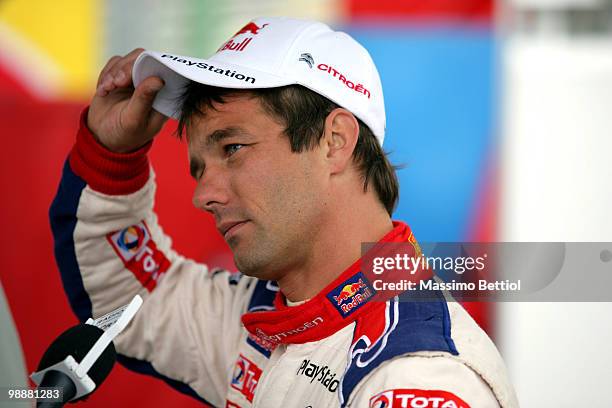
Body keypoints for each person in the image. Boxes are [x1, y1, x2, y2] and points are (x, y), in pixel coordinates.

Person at [50, 17, 518, 408]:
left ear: (335, 142)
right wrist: (111, 153)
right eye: (199, 169)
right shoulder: (269, 315)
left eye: (233, 148)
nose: (203, 194)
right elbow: (130, 302)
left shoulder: (417, 379)